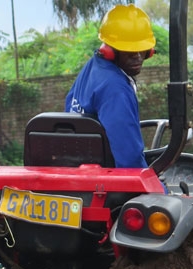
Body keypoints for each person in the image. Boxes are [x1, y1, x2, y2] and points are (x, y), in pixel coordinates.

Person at [65, 5, 156, 168]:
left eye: (141, 49)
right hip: (111, 184)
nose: (137, 56)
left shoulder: (93, 68)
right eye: (129, 50)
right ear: (111, 49)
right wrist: (161, 191)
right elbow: (130, 161)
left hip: (84, 172)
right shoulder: (115, 88)